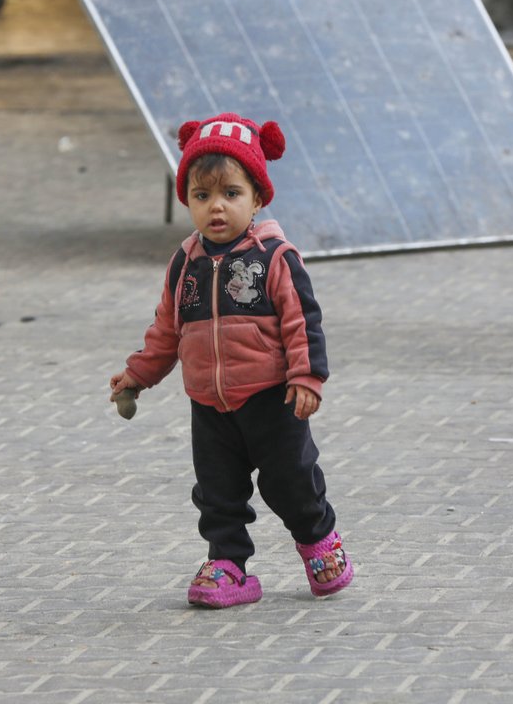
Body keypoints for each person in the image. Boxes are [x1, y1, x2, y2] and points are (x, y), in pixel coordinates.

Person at [109, 112, 354, 609]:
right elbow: (166, 330)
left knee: (290, 482)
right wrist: (138, 374)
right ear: (188, 201)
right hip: (209, 405)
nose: (216, 206)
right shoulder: (185, 263)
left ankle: (318, 541)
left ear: (257, 198)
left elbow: (302, 322)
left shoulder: (275, 257)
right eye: (202, 196)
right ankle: (228, 565)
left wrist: (307, 376)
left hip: (272, 399)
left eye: (231, 193)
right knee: (217, 491)